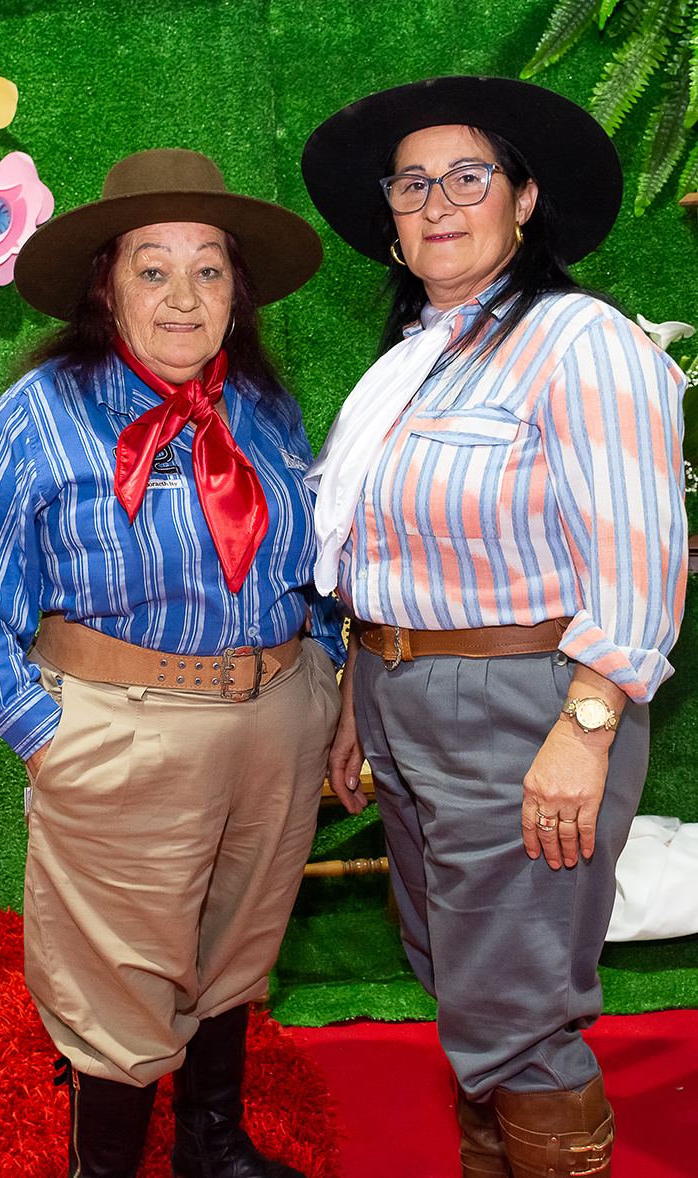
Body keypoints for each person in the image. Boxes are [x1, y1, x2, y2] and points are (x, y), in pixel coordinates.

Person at [0, 148, 343, 1178]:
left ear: (238, 294)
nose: (182, 297)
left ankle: (211, 1142)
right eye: (152, 269)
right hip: (122, 730)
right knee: (117, 980)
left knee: (236, 947)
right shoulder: (37, 416)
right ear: (105, 286)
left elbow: (316, 561)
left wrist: (326, 679)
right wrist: (45, 734)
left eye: (208, 270)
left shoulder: (266, 408)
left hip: (276, 725)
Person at [301, 76, 687, 1178]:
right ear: (389, 219)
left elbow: (640, 551)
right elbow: (376, 559)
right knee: (459, 975)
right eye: (411, 183)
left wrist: (587, 724)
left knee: (515, 1002)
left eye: (468, 177)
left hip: (526, 703)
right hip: (401, 694)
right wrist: (358, 696)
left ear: (524, 200)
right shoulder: (407, 365)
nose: (437, 202)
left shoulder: (579, 339)